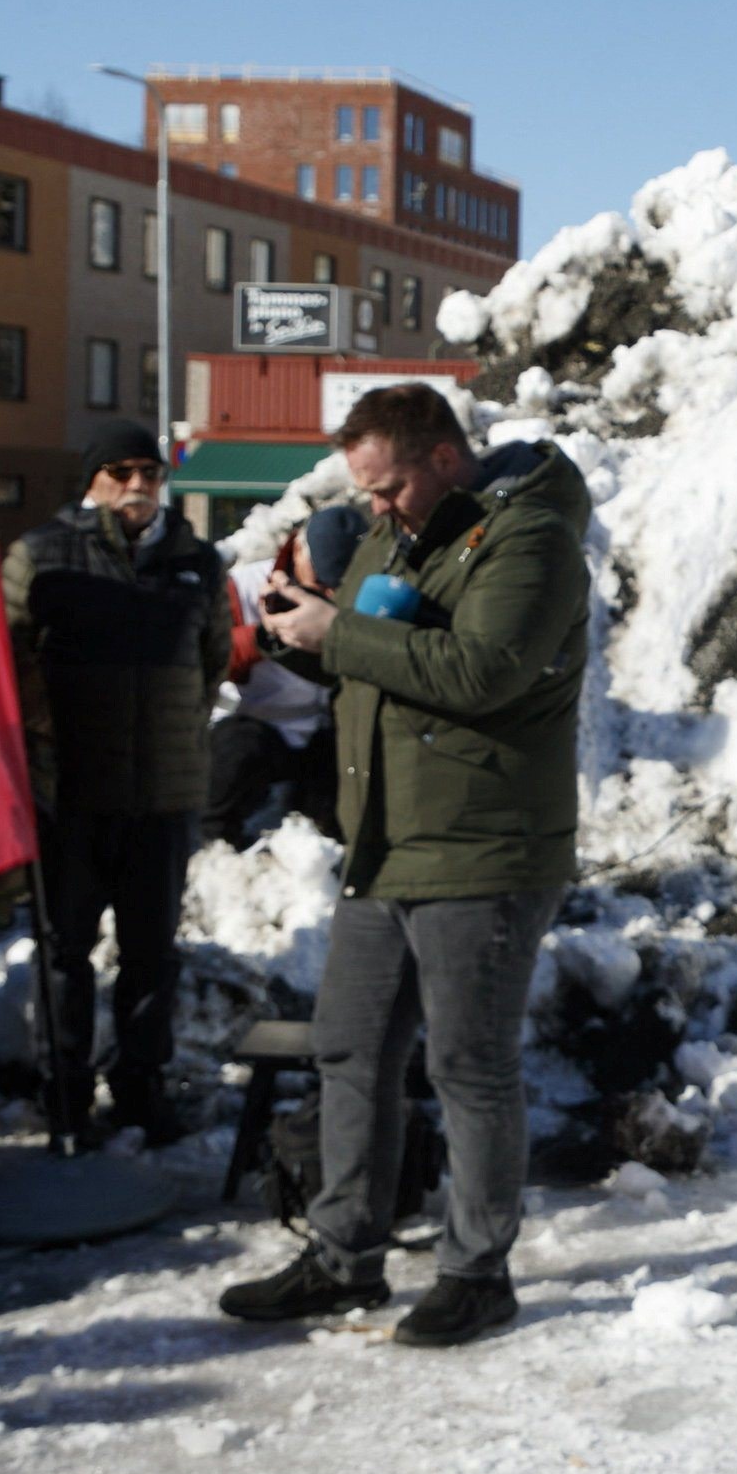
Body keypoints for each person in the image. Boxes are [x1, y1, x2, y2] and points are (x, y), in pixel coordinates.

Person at [222, 385, 587, 1349]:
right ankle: (345, 1256)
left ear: (443, 457)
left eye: (387, 487)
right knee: (350, 1046)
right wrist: (303, 633)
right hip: (386, 838)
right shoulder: (396, 532)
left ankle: (478, 1271)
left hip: (485, 842)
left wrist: (338, 631)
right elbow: (381, 666)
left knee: (469, 1064)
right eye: (366, 493)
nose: (374, 509)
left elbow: (480, 670)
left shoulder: (530, 540)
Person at [4, 420, 232, 1149]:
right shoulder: (43, 554)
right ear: (93, 476)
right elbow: (10, 658)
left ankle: (142, 1088)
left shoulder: (195, 559)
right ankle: (64, 1094)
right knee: (64, 952)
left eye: (151, 472)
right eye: (121, 470)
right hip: (70, 791)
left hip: (162, 794)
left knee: (151, 957)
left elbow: (213, 663)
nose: (138, 484)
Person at [208, 507, 354, 847]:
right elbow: (210, 657)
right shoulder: (242, 585)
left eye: (338, 586)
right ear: (299, 551)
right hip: (251, 723)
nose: (328, 594)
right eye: (319, 581)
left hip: (322, 730)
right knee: (234, 758)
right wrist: (267, 635)